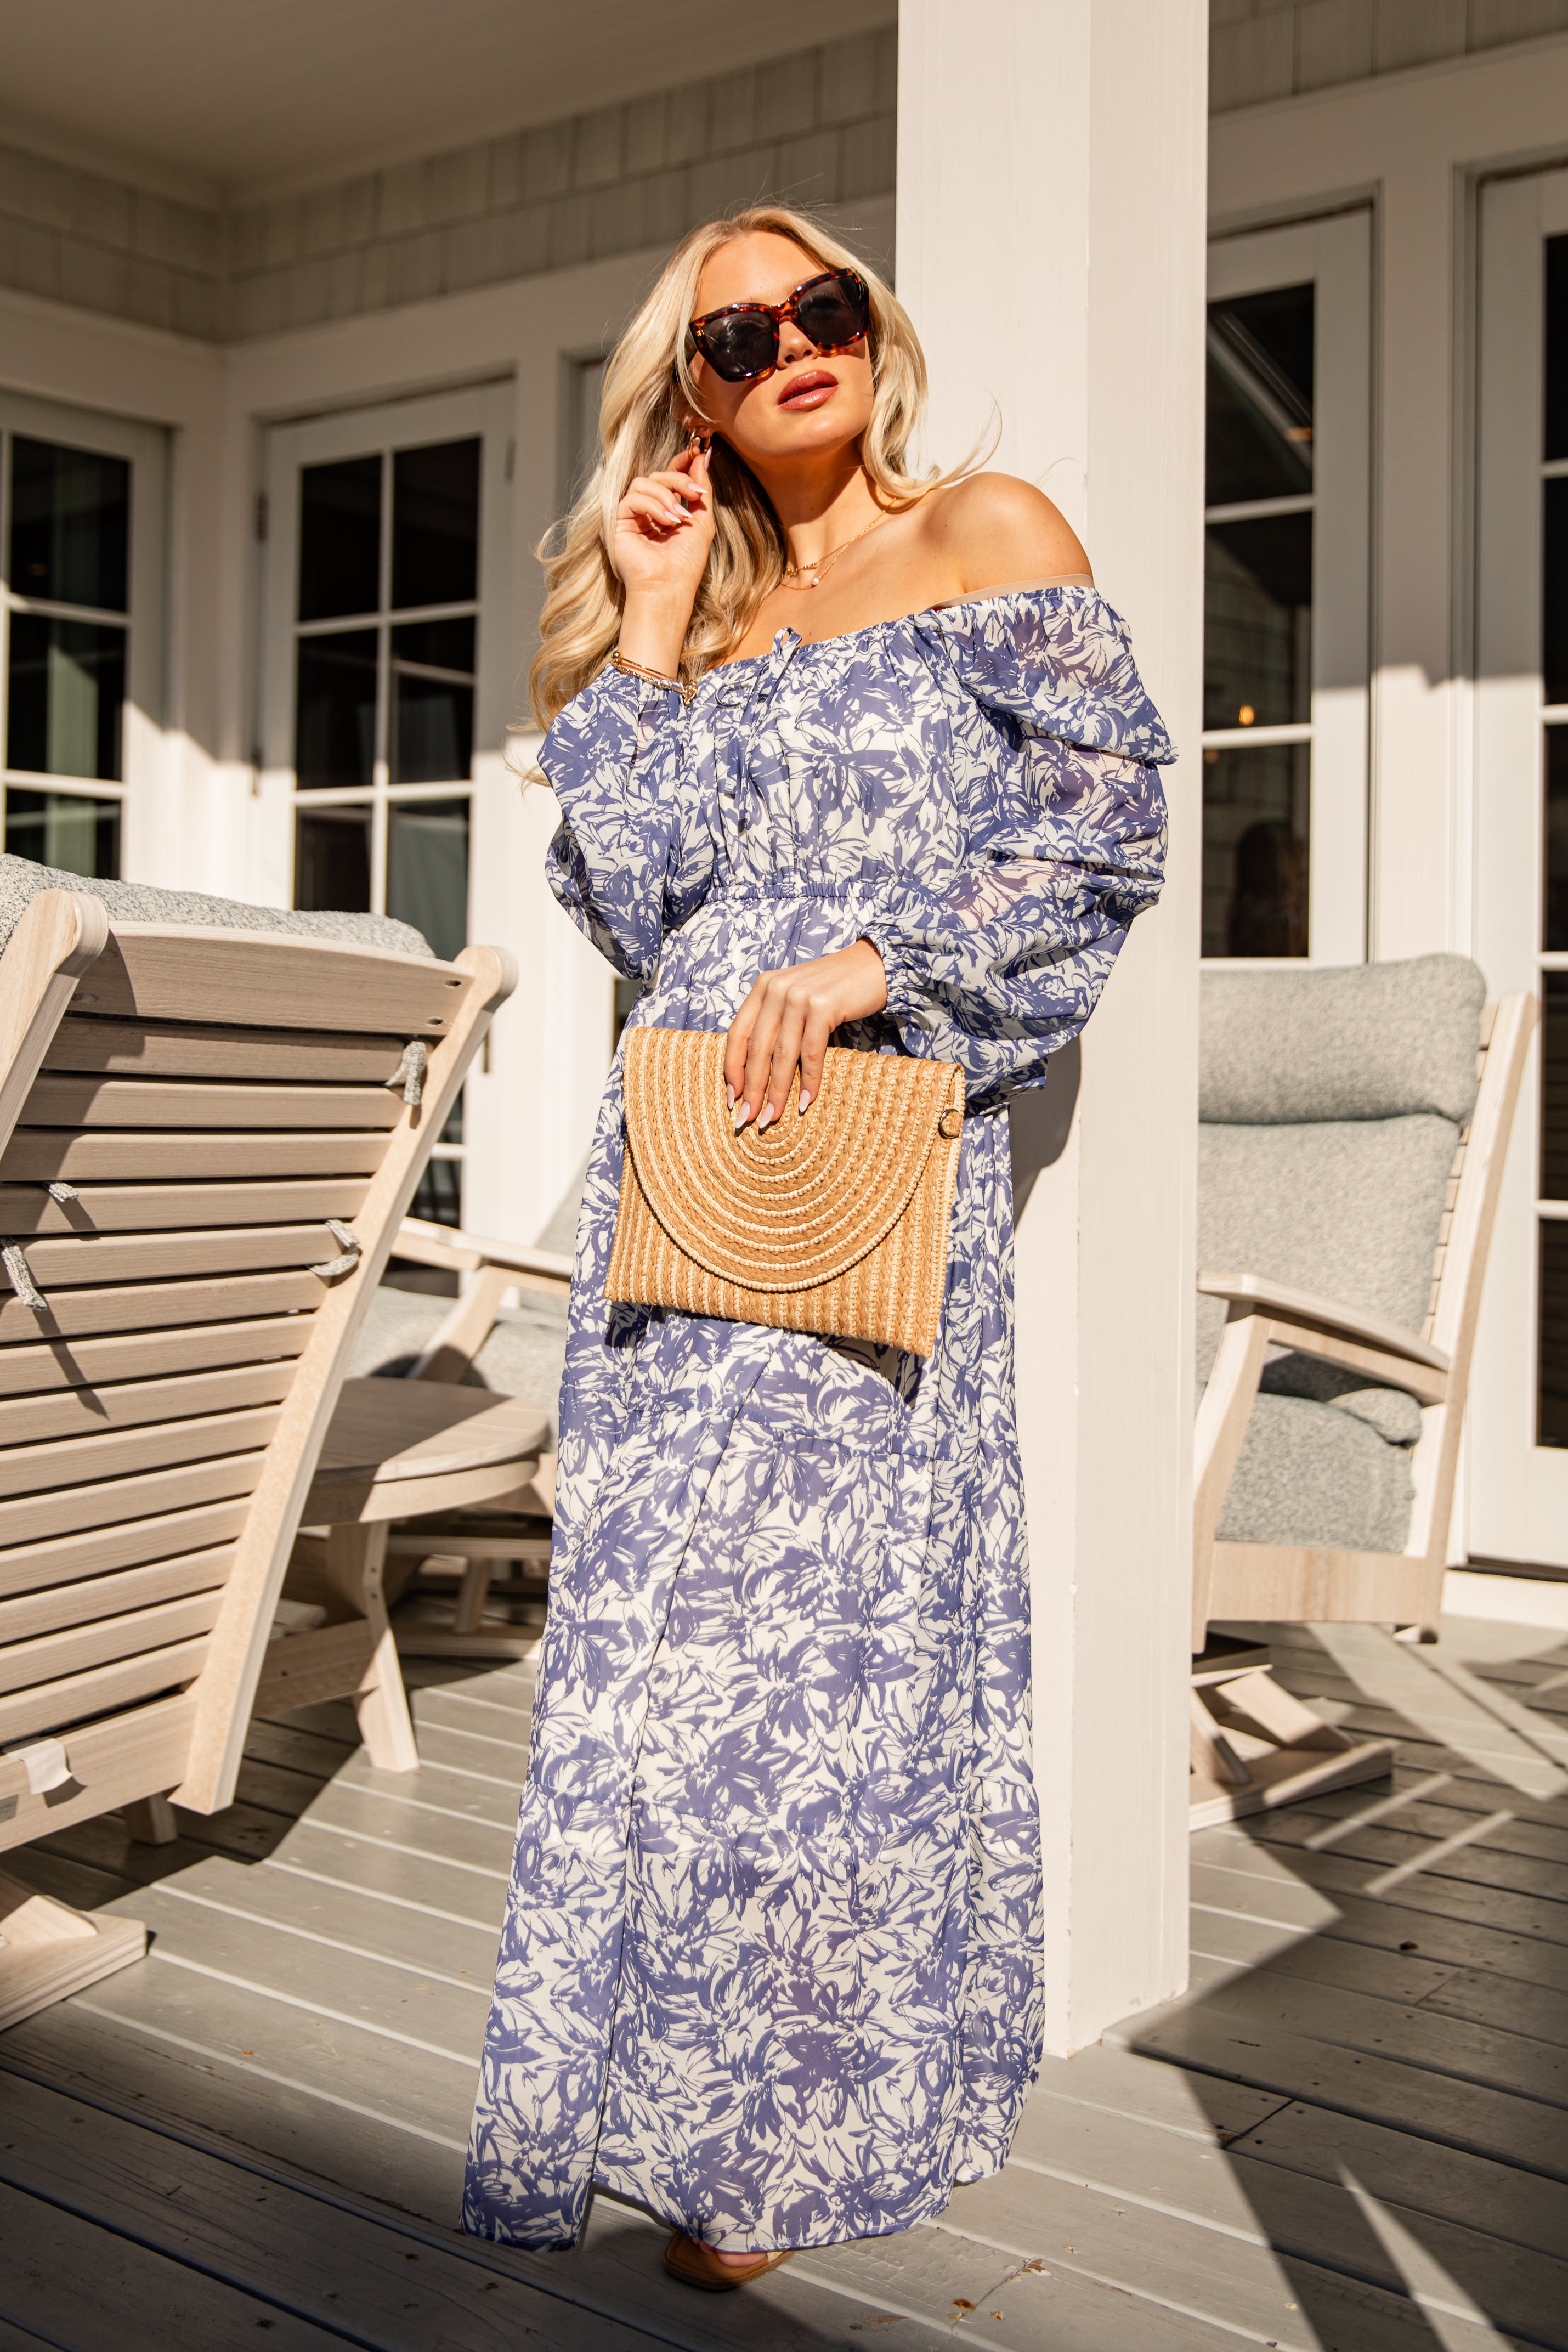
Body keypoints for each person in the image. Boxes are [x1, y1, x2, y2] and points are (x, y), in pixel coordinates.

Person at [462, 205, 1173, 2289]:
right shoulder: (719, 613)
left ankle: (785, 2135)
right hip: (680, 1171)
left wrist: (884, 959)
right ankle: (656, 2108)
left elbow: (1108, 835)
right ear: (681, 399)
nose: (789, 344)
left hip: (865, 1159)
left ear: (875, 324)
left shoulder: (989, 533)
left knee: (829, 1684)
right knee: (657, 1680)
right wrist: (659, 625)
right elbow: (637, 900)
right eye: (731, 336)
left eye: (819, 305)